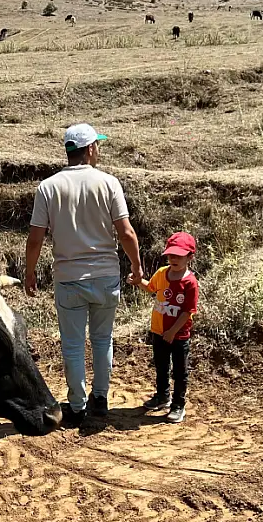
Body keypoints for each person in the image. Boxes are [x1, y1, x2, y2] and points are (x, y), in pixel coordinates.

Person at [25, 123, 143, 424]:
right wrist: (136, 265)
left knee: (73, 345)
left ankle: (76, 406)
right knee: (103, 339)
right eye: (97, 146)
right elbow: (126, 232)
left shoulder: (48, 187)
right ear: (90, 149)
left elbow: (36, 238)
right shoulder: (108, 183)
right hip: (105, 275)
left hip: (68, 277)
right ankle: (100, 398)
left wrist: (30, 272)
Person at [140, 231, 199, 424]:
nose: (173, 259)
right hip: (158, 332)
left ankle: (178, 405)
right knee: (161, 367)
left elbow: (187, 311)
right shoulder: (161, 273)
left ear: (190, 256)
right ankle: (162, 397)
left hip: (178, 335)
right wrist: (137, 281)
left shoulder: (190, 282)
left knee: (180, 372)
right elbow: (150, 287)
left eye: (179, 255)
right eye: (171, 255)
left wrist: (172, 331)